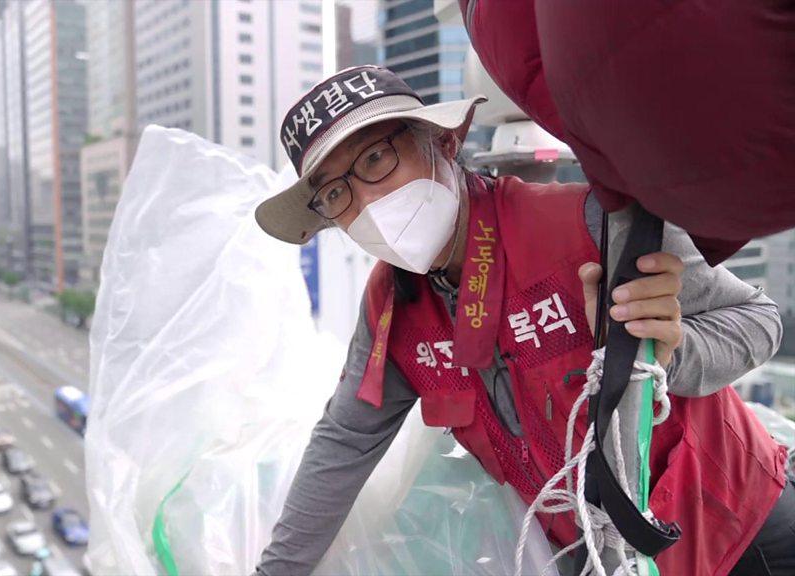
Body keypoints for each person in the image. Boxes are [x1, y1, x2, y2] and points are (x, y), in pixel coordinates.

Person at [253, 66, 793, 575]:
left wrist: (669, 355)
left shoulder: (592, 223)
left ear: (443, 142)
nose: (368, 203)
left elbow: (757, 319)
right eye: (335, 193)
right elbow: (344, 441)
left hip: (742, 527)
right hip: (603, 559)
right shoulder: (391, 310)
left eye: (375, 160)